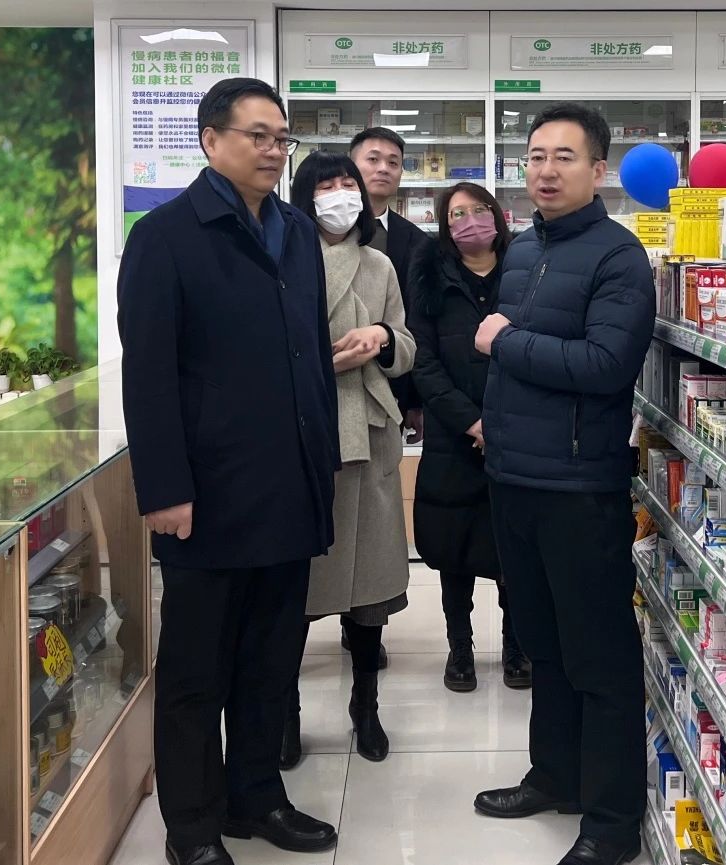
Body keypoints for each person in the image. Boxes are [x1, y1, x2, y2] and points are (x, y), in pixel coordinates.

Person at [117, 78, 340, 865]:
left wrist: (321, 466)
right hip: (208, 493)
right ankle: (192, 824)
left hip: (290, 485)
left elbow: (311, 355)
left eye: (282, 137)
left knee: (270, 660)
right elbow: (147, 372)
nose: (274, 151)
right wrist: (164, 487)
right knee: (195, 670)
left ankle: (257, 797)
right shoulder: (166, 236)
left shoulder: (296, 231)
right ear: (211, 140)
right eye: (257, 135)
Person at [471, 103, 655, 865]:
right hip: (514, 477)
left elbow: (606, 366)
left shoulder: (619, 257)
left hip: (580, 486)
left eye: (564, 157)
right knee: (542, 642)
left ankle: (611, 820)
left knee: (598, 655)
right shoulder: (524, 249)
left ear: (598, 170)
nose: (546, 170)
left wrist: (507, 341)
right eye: (536, 156)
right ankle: (554, 775)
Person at [282, 150, 415, 769]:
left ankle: (366, 705)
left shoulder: (379, 263)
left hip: (370, 431)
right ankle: (284, 712)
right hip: (306, 432)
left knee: (368, 588)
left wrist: (381, 339)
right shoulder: (283, 257)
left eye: (347, 183)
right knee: (295, 588)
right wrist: (317, 358)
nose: (340, 194)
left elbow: (406, 343)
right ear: (304, 197)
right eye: (326, 184)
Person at [406, 181, 530, 693]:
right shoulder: (429, 276)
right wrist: (471, 423)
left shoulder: (523, 271)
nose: (470, 221)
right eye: (457, 214)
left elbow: (534, 348)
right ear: (444, 225)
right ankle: (460, 648)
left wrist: (499, 422)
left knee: (513, 548)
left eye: (479, 210)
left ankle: (517, 646)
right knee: (453, 548)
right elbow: (423, 362)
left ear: (498, 216)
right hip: (453, 437)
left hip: (516, 431)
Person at [350, 127, 428, 441]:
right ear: (351, 166)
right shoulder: (316, 230)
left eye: (393, 162)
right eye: (373, 159)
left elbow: (419, 323)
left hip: (390, 389)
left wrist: (416, 399)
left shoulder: (418, 242)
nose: (384, 168)